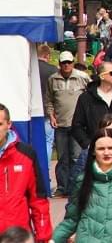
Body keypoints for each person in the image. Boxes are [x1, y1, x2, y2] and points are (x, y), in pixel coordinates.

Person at [0, 103, 52, 241]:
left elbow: (38, 199)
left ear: (8, 124)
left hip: (17, 236)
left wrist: (44, 237)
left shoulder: (26, 154)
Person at [46, 50, 90, 198]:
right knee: (62, 158)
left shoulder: (83, 77)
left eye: (69, 62)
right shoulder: (53, 79)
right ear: (59, 64)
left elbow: (91, 96)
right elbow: (49, 100)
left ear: (73, 63)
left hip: (78, 125)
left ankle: (77, 187)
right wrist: (51, 116)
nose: (66, 65)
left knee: (76, 157)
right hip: (60, 124)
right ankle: (62, 187)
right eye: (63, 62)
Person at [71, 61, 112, 149]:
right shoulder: (86, 98)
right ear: (102, 76)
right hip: (95, 149)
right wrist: (88, 145)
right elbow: (77, 126)